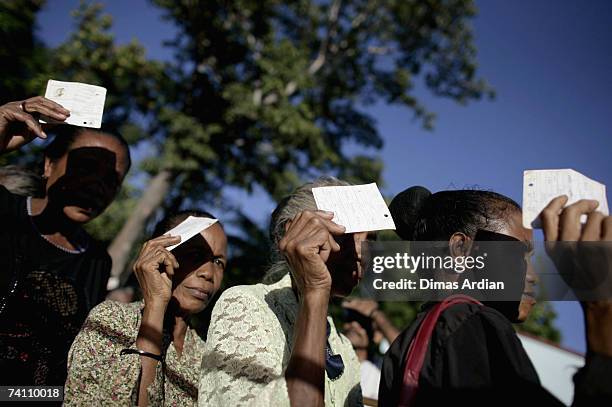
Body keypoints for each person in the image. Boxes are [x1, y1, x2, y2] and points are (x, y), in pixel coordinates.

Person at [379, 187, 612, 406]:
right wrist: (600, 308)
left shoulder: (403, 346)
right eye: (521, 253)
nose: (532, 276)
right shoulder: (474, 323)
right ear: (460, 250)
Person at [199, 177, 370, 406]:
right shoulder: (244, 305)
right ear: (297, 234)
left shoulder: (342, 344)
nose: (361, 253)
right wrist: (315, 289)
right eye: (347, 234)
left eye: (371, 240)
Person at [0, 96, 131, 385]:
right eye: (85, 168)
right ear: (49, 165)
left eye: (111, 180)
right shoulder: (6, 211)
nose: (96, 187)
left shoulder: (97, 261)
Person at [64, 210, 227, 406]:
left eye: (218, 262)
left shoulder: (210, 358)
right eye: (195, 255)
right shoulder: (111, 320)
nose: (208, 273)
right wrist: (156, 304)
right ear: (161, 253)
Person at [342, 298, 400, 401]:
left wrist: (376, 314)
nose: (353, 325)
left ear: (377, 336)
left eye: (362, 323)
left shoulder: (383, 369)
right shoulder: (331, 361)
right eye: (349, 319)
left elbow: (405, 350)